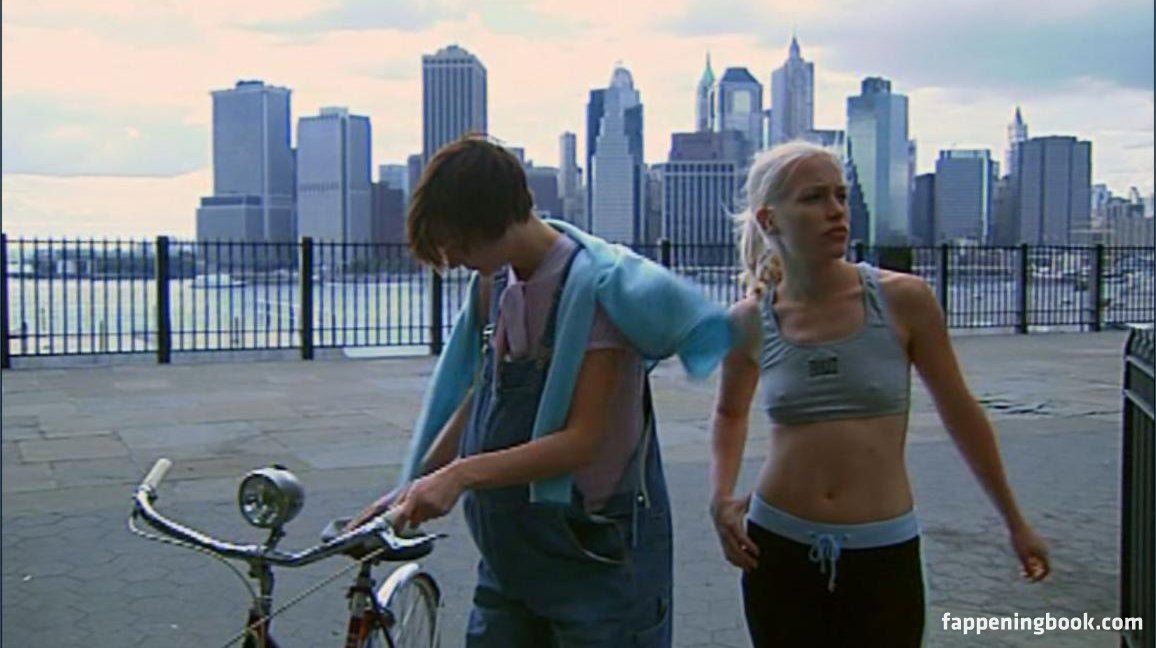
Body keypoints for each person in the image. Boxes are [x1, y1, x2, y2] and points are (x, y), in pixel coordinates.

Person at [348, 134, 734, 647]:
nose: (455, 259)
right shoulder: (495, 284)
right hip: (512, 555)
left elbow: (581, 441)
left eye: (458, 243)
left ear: (493, 218)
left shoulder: (596, 288)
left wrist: (460, 475)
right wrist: (410, 488)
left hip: (593, 551)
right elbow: (482, 396)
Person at [708, 140, 1051, 647]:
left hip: (882, 547)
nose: (835, 211)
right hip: (777, 544)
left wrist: (1015, 522)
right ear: (769, 219)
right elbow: (729, 412)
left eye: (841, 196)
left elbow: (960, 411)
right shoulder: (749, 321)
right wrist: (720, 499)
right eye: (814, 198)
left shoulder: (903, 300)